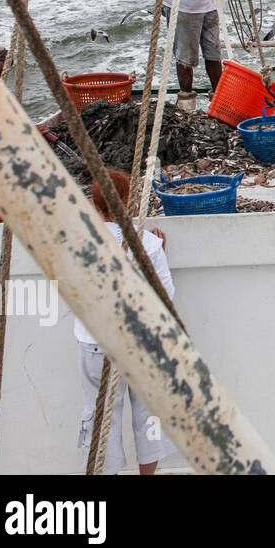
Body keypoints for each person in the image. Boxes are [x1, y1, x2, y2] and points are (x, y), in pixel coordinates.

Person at [75, 169, 177, 474]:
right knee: (148, 416)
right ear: (130, 203)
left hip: (97, 345)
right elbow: (166, 296)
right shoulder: (148, 243)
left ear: (93, 205)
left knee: (102, 419)